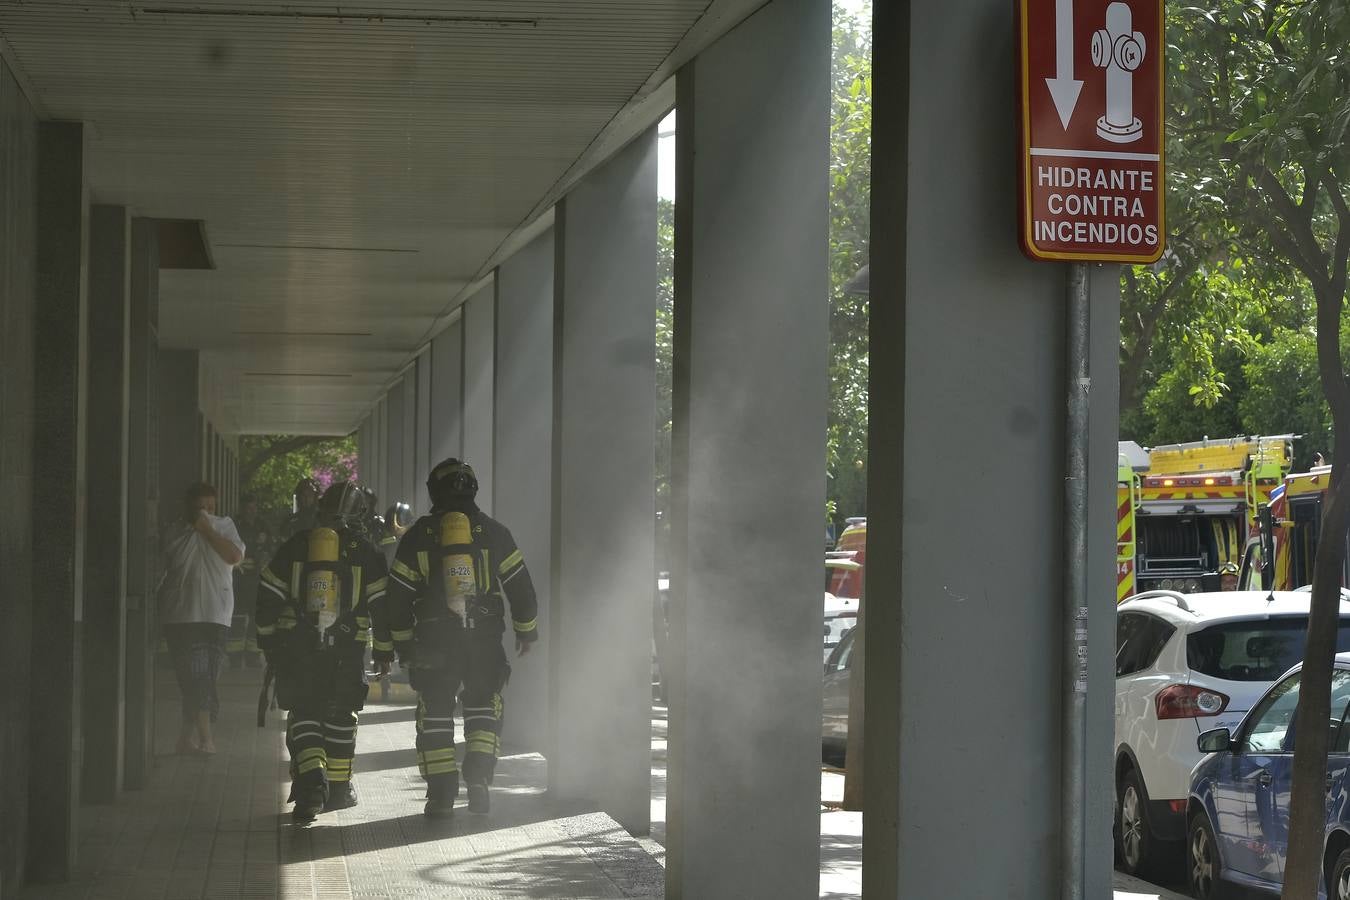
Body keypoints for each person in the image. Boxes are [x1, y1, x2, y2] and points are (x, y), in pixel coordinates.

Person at [386, 458, 539, 818]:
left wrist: (403, 643)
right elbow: (521, 588)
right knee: (484, 705)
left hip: (434, 641)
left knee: (435, 712)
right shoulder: (494, 532)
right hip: (484, 639)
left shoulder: (418, 536)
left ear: (433, 492)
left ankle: (440, 796)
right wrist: (526, 631)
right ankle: (479, 781)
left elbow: (397, 599)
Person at [255, 481, 392, 822]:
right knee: (342, 717)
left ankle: (312, 782)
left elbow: (267, 594)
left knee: (304, 713)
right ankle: (339, 789)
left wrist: (269, 641)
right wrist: (385, 651)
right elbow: (383, 607)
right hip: (348, 650)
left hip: (299, 649)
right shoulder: (367, 552)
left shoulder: (296, 546)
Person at [159, 482, 245, 756]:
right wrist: (194, 529)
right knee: (194, 677)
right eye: (200, 509)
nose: (207, 513)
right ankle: (206, 738)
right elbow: (174, 558)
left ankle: (185, 738)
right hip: (182, 616)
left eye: (211, 507)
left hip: (217, 613)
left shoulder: (225, 526)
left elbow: (234, 556)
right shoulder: (175, 532)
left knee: (205, 677)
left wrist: (207, 530)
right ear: (188, 508)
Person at [232, 494, 273, 668]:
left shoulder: (263, 526)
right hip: (238, 578)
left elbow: (271, 547)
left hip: (257, 579)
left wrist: (265, 557)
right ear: (241, 508)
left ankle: (253, 655)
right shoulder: (234, 525)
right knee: (238, 616)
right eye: (248, 508)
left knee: (256, 617)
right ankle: (234, 654)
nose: (251, 511)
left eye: (253, 507)